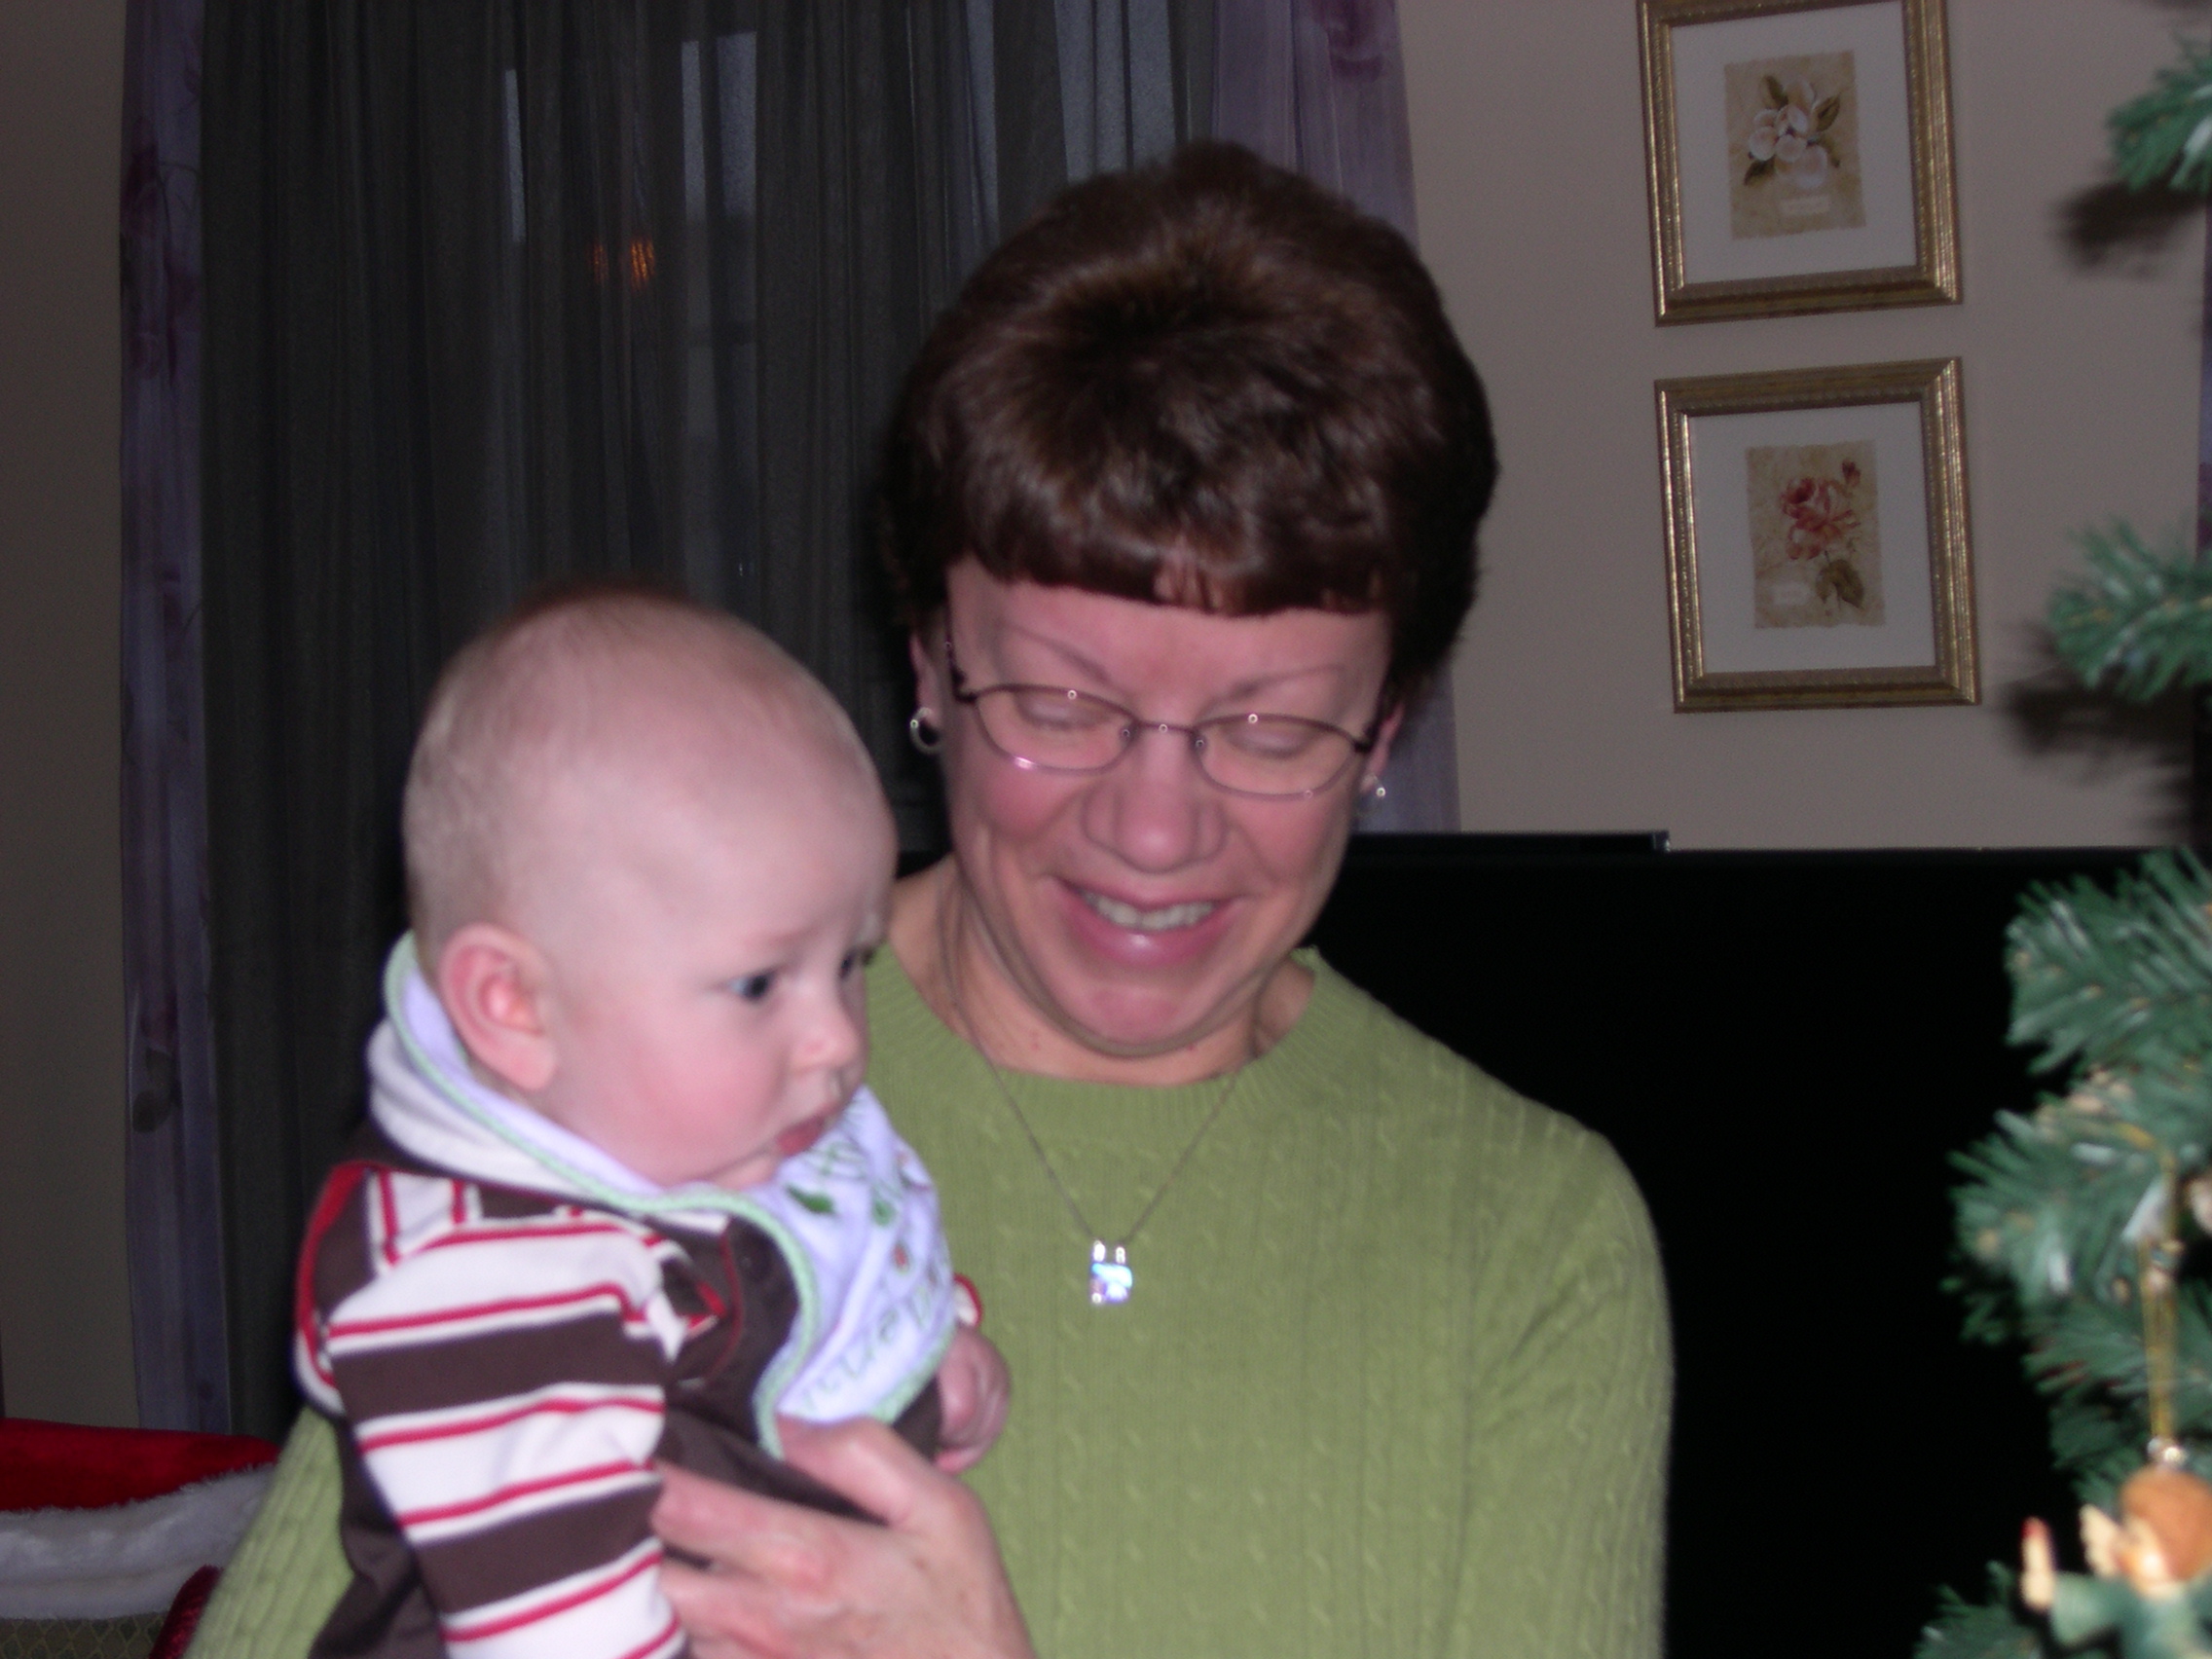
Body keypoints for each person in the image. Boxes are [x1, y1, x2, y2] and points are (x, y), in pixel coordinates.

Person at [191, 142, 1670, 1659]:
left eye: (1270, 726)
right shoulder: (641, 1076)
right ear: (927, 665)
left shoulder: (1529, 1244)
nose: (1154, 830)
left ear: (1393, 721)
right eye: (1057, 700)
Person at [289, 592, 1009, 1659]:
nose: (835, 1039)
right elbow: (549, 1616)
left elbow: (819, 1249)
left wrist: (923, 1343)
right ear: (515, 1008)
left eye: (848, 962)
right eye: (761, 982)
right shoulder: (475, 1275)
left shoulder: (706, 1129)